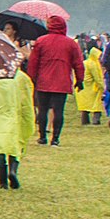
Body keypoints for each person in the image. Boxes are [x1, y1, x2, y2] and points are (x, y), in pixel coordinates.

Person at [22, 14, 82, 145]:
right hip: (62, 81)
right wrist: (80, 79)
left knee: (42, 109)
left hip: (43, 81)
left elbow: (33, 62)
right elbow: (78, 63)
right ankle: (55, 138)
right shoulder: (71, 43)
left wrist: (31, 78)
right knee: (58, 111)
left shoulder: (41, 41)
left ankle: (42, 136)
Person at [0, 62, 32, 190]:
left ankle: (2, 181)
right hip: (14, 116)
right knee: (15, 144)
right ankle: (13, 170)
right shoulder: (21, 78)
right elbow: (27, 101)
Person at [75, 40, 105, 127]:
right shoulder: (94, 64)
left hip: (83, 88)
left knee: (85, 106)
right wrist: (102, 87)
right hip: (92, 88)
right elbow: (97, 78)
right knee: (97, 105)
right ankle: (96, 120)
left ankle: (85, 121)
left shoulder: (85, 62)